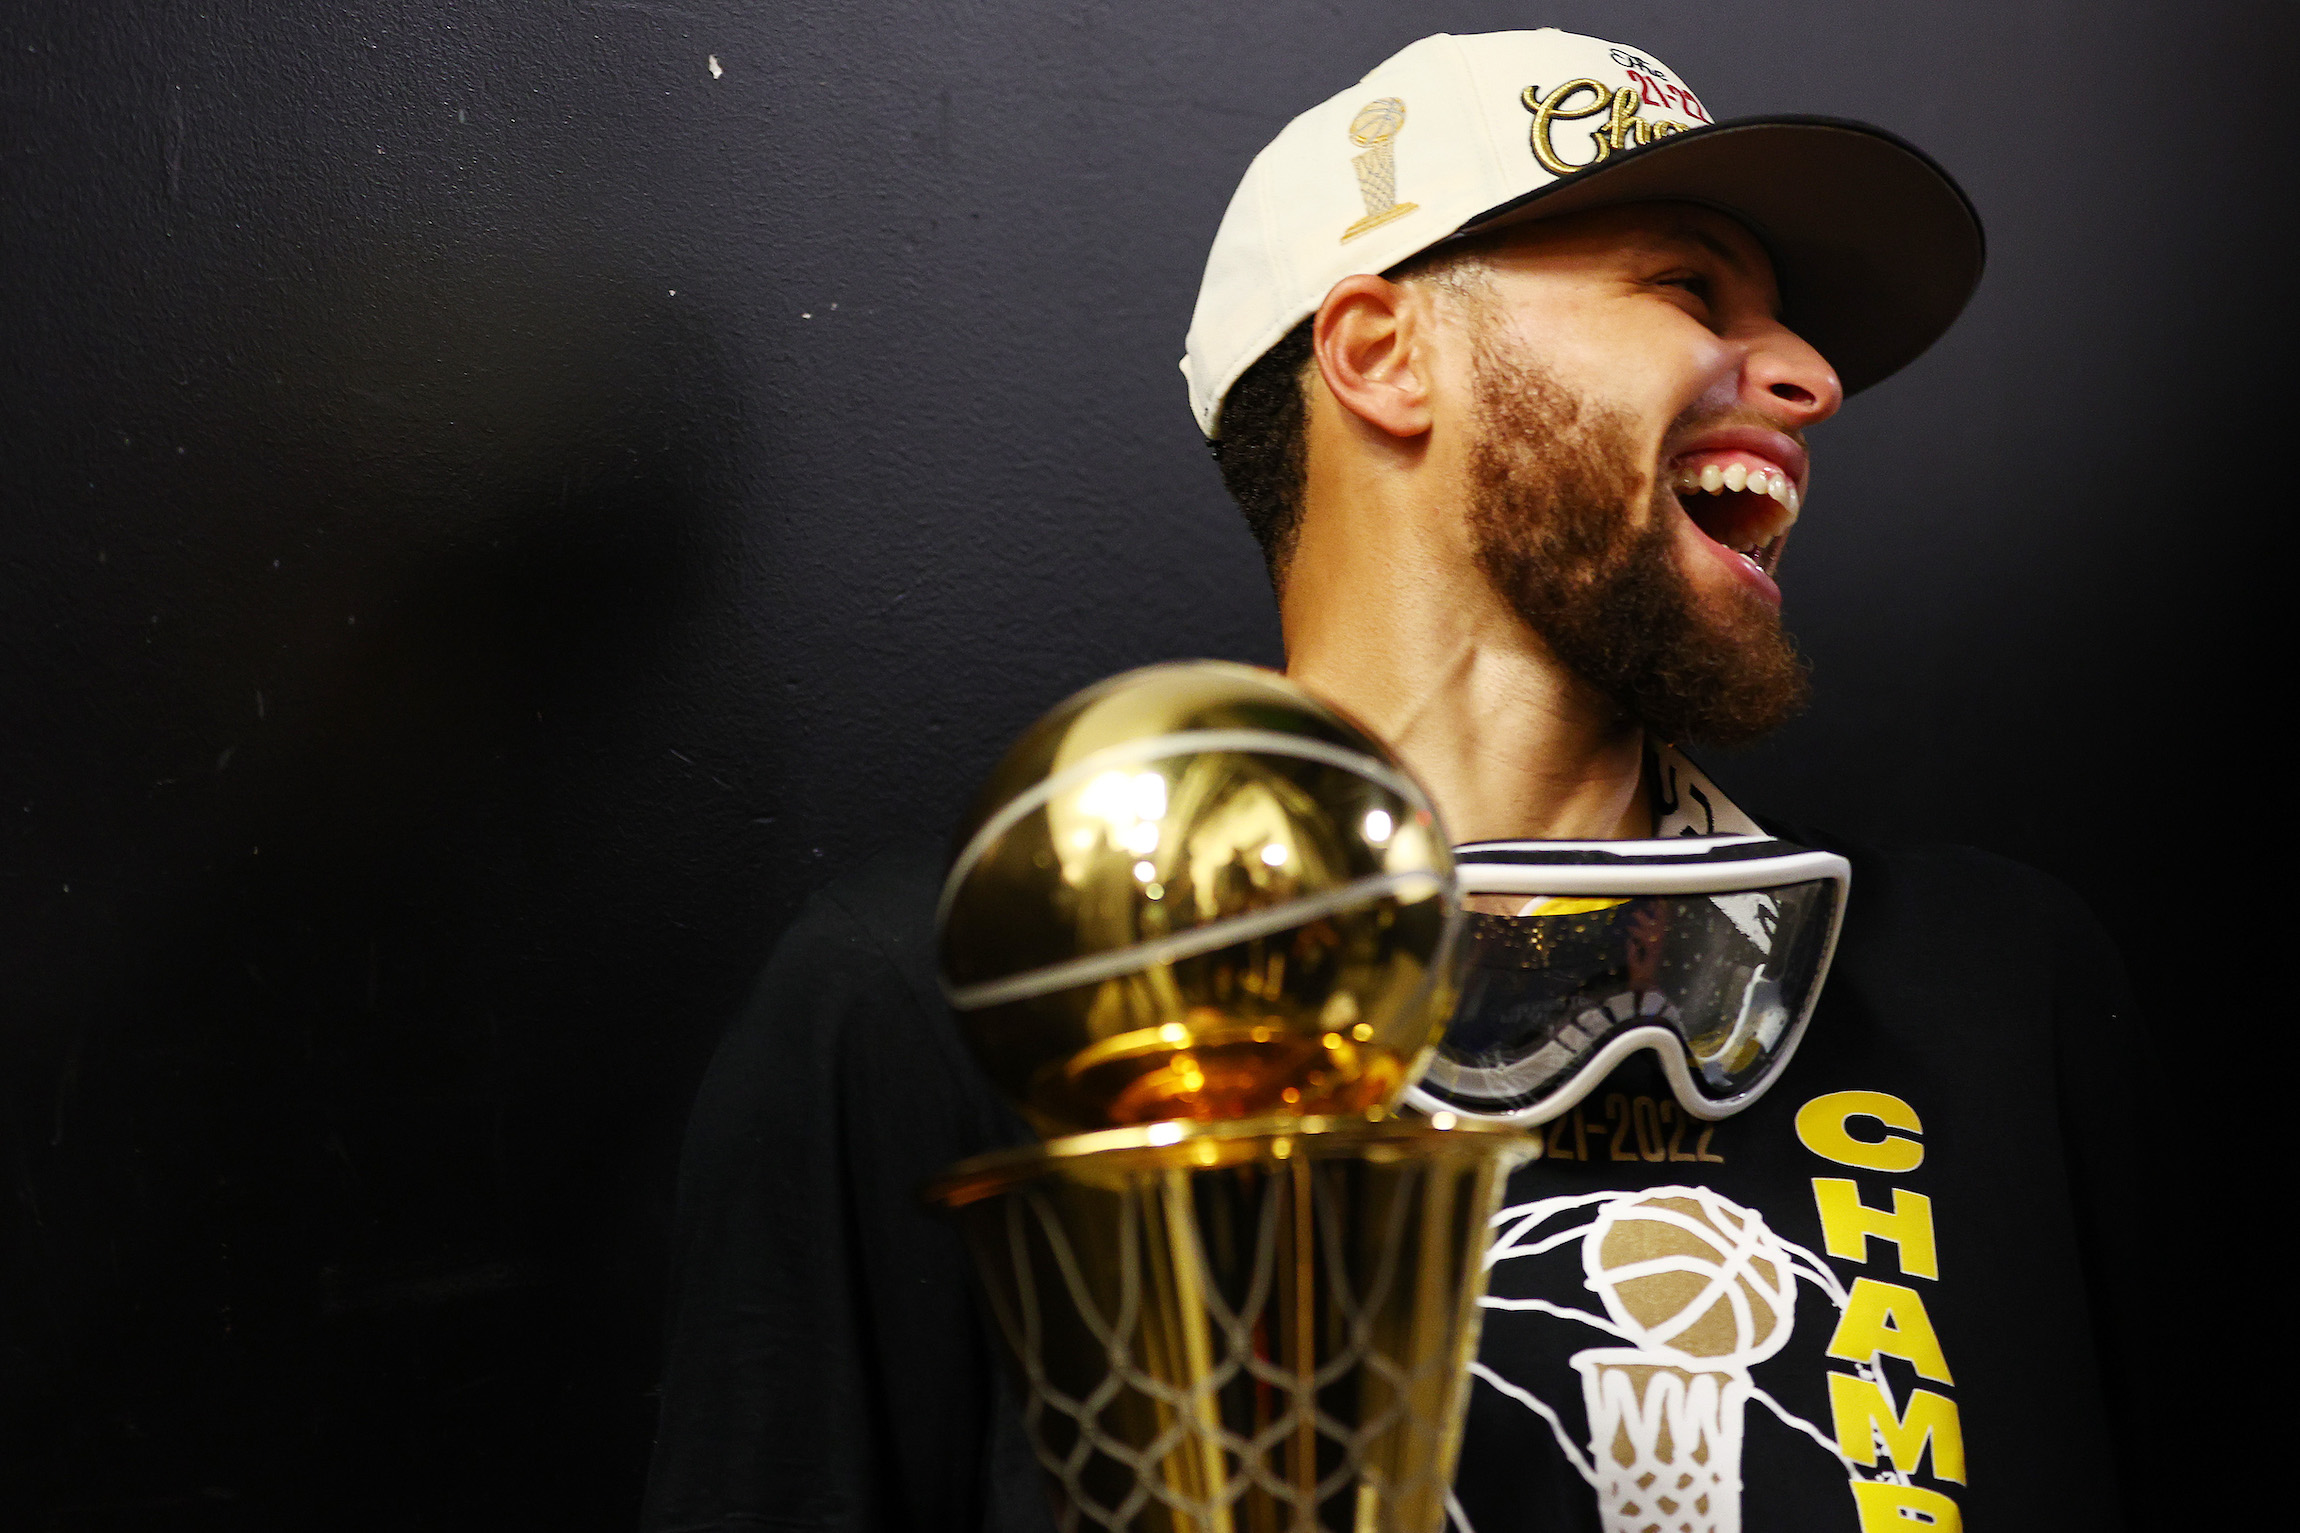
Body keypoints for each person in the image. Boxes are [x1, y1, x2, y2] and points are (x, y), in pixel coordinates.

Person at [643, 28, 2153, 1533]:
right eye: (1688, 285)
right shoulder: (957, 1001)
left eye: (1792, 327)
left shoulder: (1988, 991)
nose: (1815, 377)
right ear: (1382, 353)